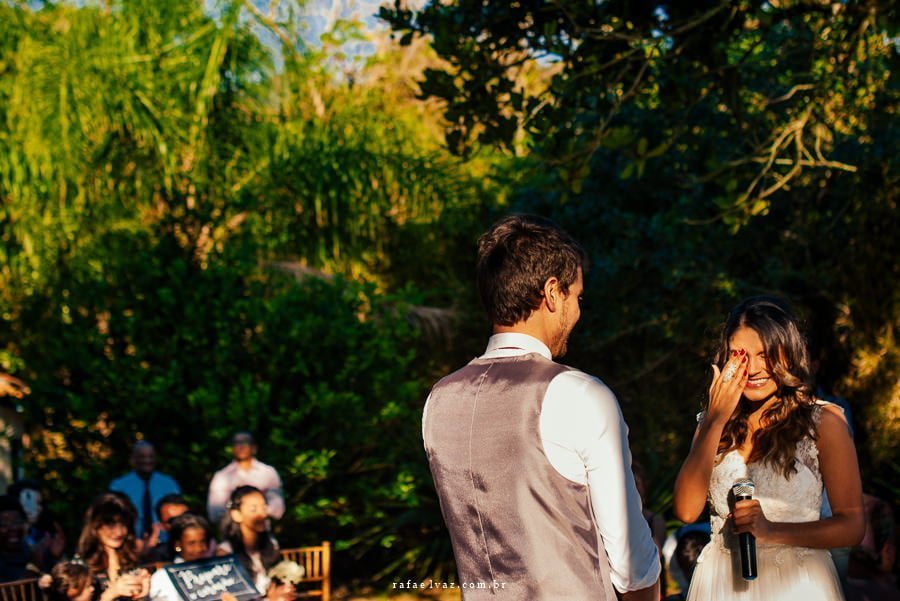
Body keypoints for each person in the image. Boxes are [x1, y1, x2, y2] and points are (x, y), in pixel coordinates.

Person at [422, 214, 660, 600]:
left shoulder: (438, 400)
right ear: (552, 293)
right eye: (576, 296)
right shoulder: (579, 395)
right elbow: (632, 562)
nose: (578, 311)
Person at [673, 296, 865, 600]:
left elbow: (853, 525)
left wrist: (773, 531)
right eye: (742, 356)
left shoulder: (825, 421)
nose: (756, 368)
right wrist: (715, 420)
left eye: (766, 354)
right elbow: (685, 510)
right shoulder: (712, 425)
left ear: (789, 355)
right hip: (723, 586)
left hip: (798, 586)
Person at [76, 492, 150, 601]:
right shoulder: (80, 565)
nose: (119, 532)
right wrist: (111, 594)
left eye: (123, 524)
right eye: (111, 525)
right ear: (95, 526)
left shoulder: (131, 559)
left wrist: (144, 590)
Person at [207, 433, 284, 525]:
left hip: (262, 530)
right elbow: (214, 512)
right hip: (231, 531)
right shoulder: (221, 476)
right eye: (237, 444)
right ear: (232, 449)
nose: (241, 447)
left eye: (245, 443)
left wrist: (257, 513)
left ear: (254, 448)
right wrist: (237, 515)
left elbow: (277, 508)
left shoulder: (268, 472)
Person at [109, 441, 181, 541]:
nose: (147, 460)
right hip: (129, 542)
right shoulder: (119, 486)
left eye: (151, 456)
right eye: (142, 456)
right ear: (133, 459)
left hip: (165, 543)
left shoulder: (169, 484)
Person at [216, 486, 280, 595]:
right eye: (253, 509)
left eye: (264, 508)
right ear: (236, 514)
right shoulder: (226, 552)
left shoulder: (271, 544)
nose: (262, 514)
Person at [149, 513, 214, 601]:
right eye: (191, 543)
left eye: (203, 541)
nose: (199, 548)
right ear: (177, 544)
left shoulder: (220, 570)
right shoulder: (163, 577)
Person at [8, 479, 66, 573]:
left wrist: (53, 556)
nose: (34, 509)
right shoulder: (8, 538)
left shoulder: (44, 536)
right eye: (26, 503)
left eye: (38, 503)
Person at [139, 494, 190, 563]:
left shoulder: (208, 547)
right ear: (161, 525)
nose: (180, 523)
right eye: (173, 520)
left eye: (185, 517)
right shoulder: (158, 556)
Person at [0, 494, 34, 582]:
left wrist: (54, 557)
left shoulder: (29, 551)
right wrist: (35, 566)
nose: (13, 528)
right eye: (4, 523)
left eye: (17, 521)